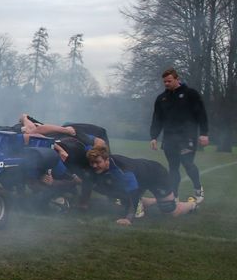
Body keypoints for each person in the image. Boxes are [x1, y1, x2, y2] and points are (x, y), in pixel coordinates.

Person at [84, 147, 197, 226]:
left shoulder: (123, 171)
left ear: (107, 160)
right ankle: (150, 201)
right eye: (92, 163)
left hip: (156, 175)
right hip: (141, 176)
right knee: (106, 187)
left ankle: (192, 204)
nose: (94, 166)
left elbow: (133, 193)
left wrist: (128, 218)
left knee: (170, 211)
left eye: (97, 162)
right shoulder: (101, 164)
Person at [150, 68, 209, 202]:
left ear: (177, 79)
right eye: (164, 82)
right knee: (173, 167)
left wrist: (204, 133)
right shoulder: (161, 99)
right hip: (169, 138)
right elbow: (157, 119)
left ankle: (198, 188)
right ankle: (174, 195)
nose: (166, 84)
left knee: (187, 163)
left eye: (169, 81)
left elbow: (201, 113)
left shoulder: (190, 94)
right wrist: (153, 137)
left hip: (187, 136)